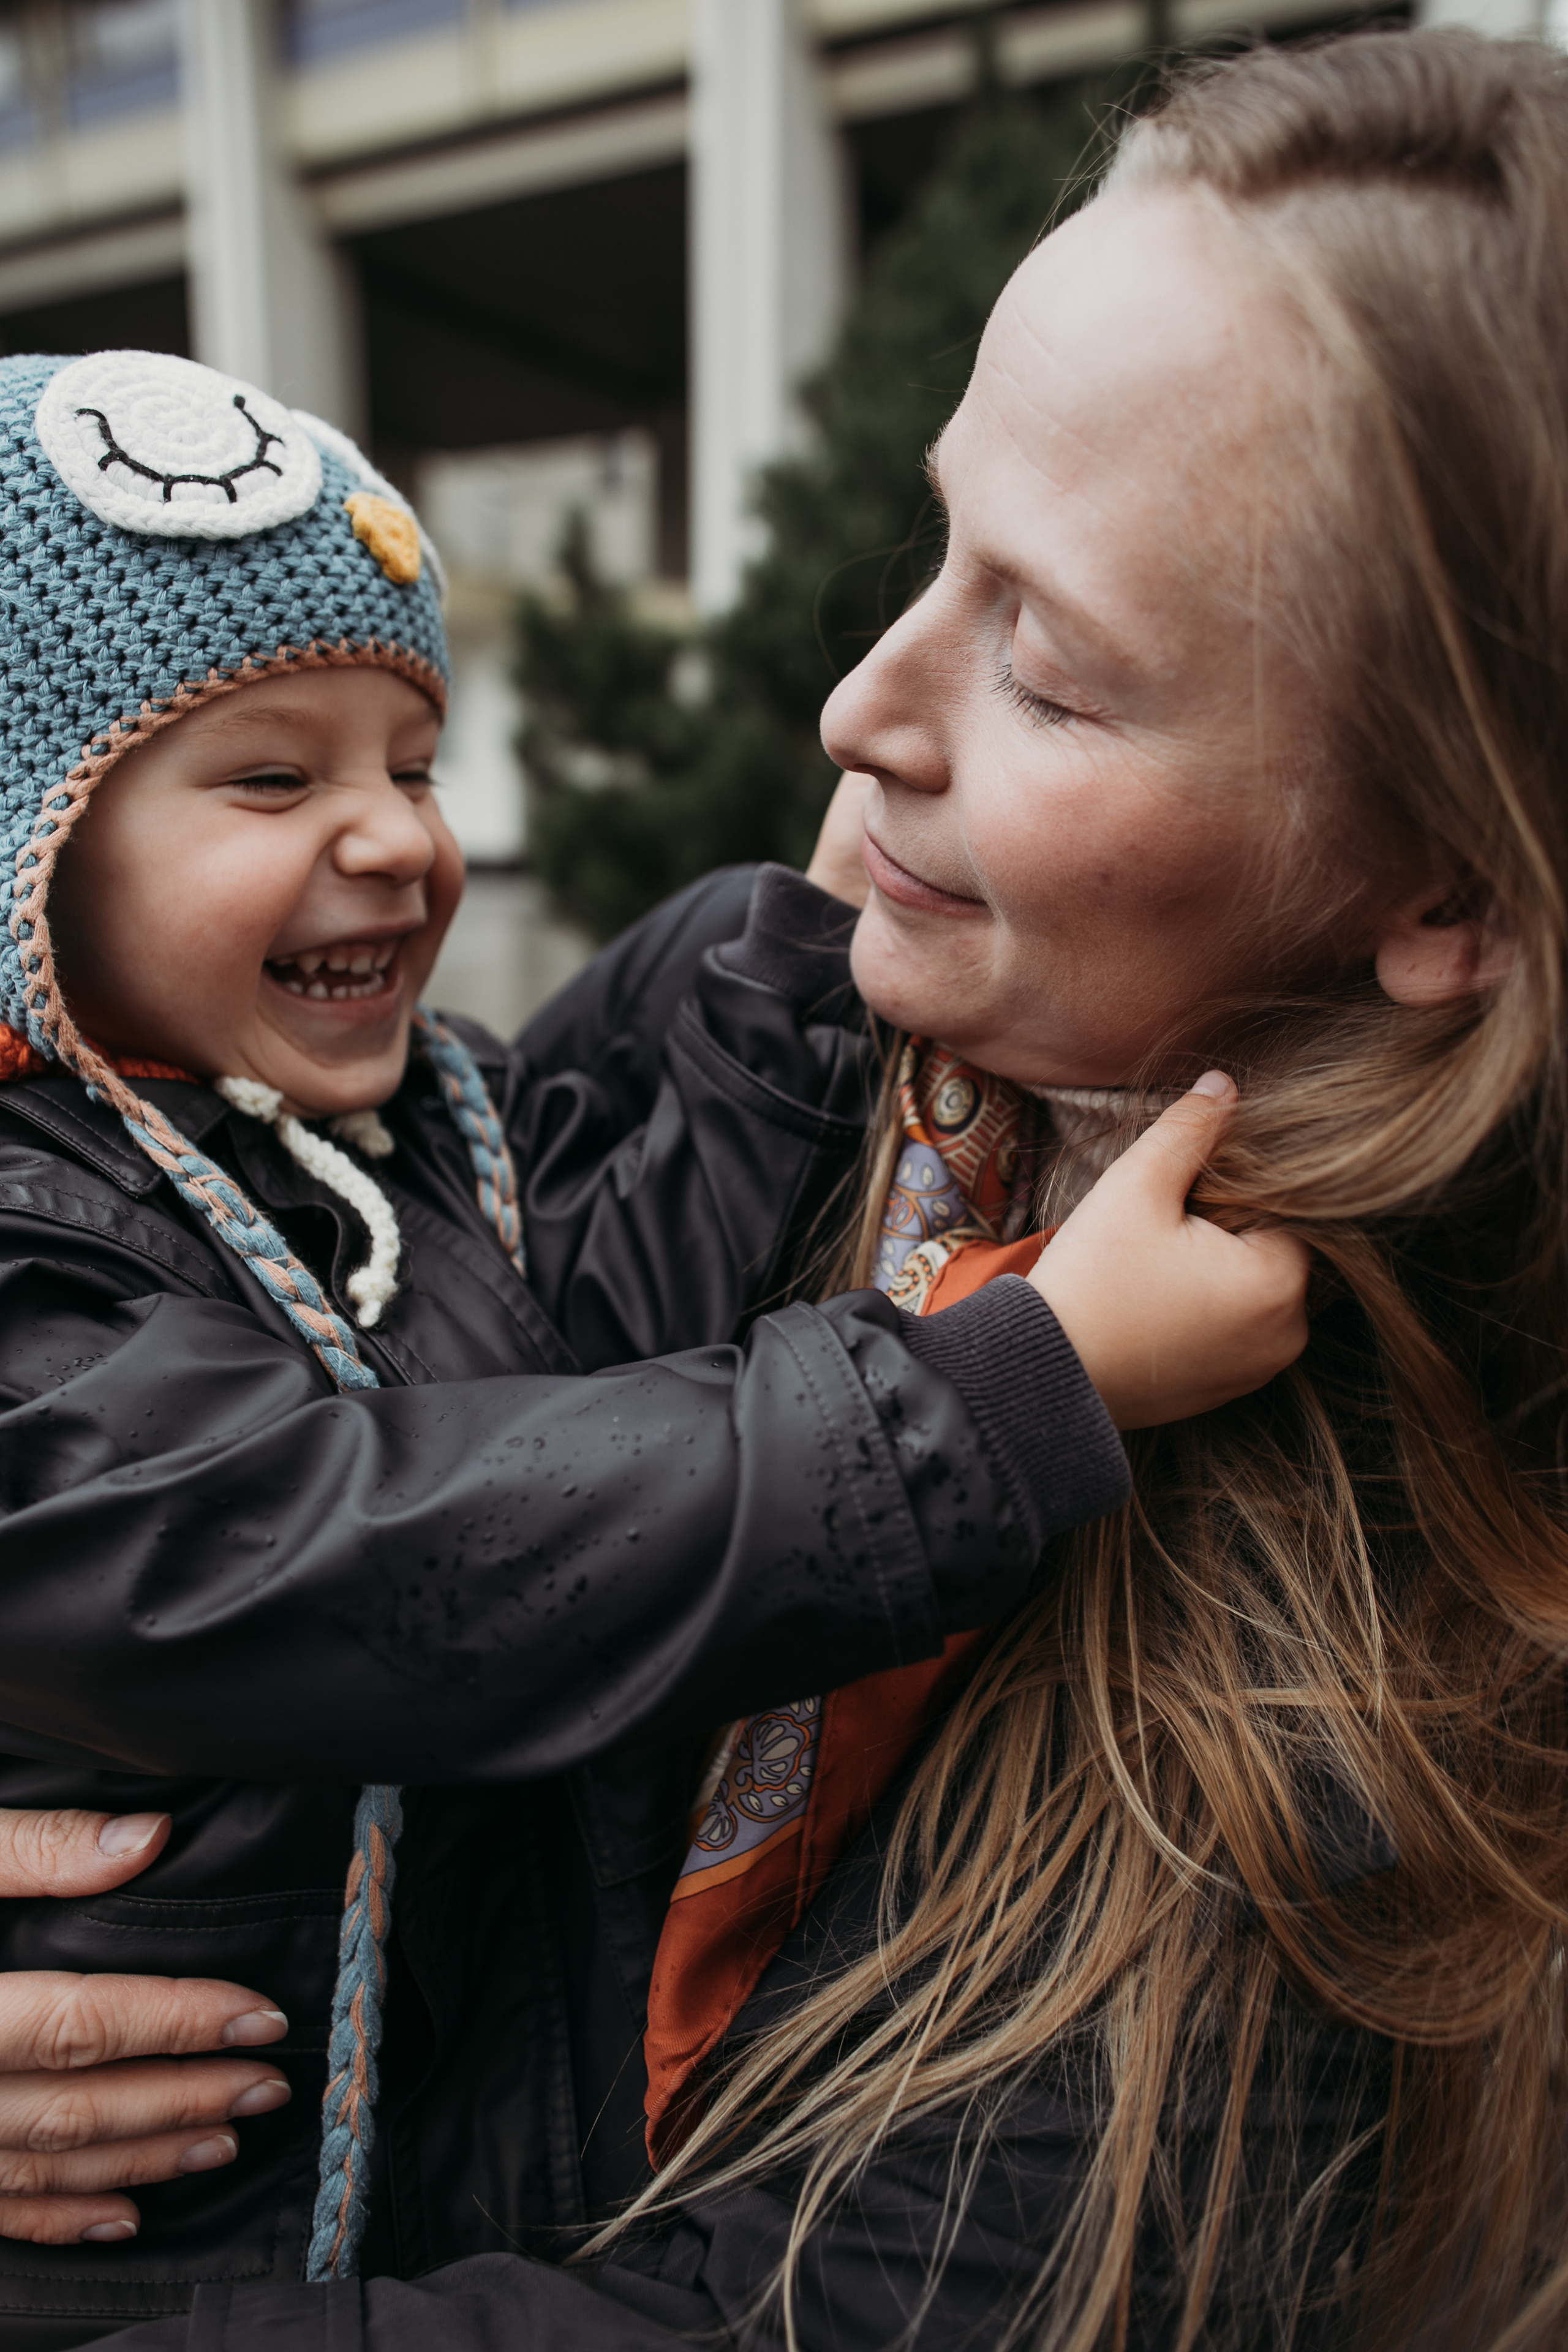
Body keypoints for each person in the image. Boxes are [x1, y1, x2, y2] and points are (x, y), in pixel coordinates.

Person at [0, 347, 1302, 2342]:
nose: (393, 841)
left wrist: (799, 976)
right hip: (153, 2263)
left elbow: (590, 1401)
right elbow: (375, 1560)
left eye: (415, 764)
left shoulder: (394, 1149)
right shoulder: (35, 1245)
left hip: (434, 2200)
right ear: (29, 849)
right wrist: (1001, 1393)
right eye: (270, 776)